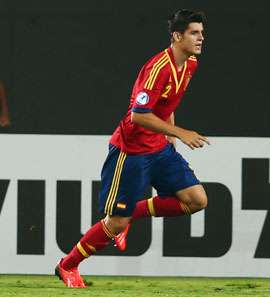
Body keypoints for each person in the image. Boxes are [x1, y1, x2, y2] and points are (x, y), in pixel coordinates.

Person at [55, 9, 210, 288]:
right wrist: (181, 132)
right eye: (194, 33)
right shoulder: (157, 68)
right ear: (177, 36)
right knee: (114, 223)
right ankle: (67, 265)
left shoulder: (190, 65)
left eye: (201, 32)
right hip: (131, 151)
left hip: (159, 149)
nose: (201, 37)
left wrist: (170, 137)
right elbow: (139, 114)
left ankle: (133, 213)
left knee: (196, 200)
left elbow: (167, 104)